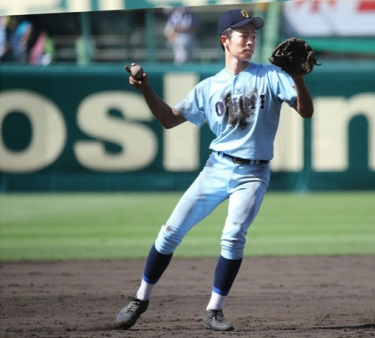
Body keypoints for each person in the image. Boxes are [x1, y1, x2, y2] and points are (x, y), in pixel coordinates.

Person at [117, 8, 314, 332]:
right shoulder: (208, 87)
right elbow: (169, 119)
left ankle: (214, 310)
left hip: (253, 173)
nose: (250, 40)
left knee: (233, 236)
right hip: (216, 168)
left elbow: (305, 112)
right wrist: (145, 89)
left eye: (253, 35)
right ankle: (141, 297)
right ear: (225, 40)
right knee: (170, 232)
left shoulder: (272, 75)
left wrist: (298, 78)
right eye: (243, 34)